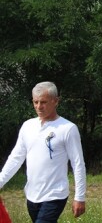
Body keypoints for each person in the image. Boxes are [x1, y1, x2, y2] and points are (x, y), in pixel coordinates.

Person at [0, 82, 86, 222]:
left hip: (54, 195)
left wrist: (80, 197)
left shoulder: (67, 128)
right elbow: (16, 158)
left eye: (44, 102)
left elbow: (78, 164)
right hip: (32, 195)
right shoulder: (28, 126)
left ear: (56, 101)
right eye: (36, 102)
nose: (39, 106)